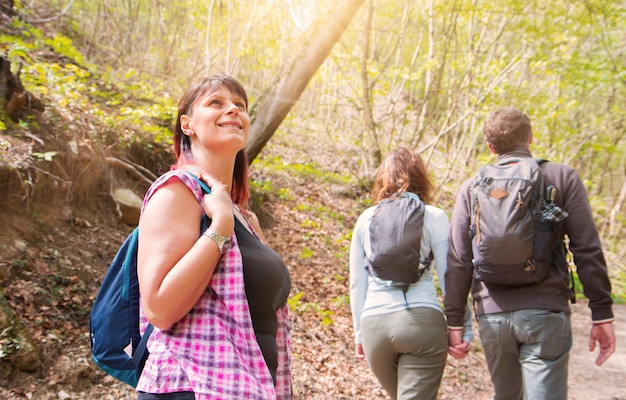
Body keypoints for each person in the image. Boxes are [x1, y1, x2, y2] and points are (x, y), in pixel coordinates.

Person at [135, 75, 292, 399]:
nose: (233, 109)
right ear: (187, 124)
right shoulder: (178, 190)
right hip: (188, 386)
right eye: (216, 103)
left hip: (242, 386)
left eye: (240, 105)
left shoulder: (242, 216)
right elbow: (159, 308)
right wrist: (219, 227)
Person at [444, 106, 616, 400]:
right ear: (531, 137)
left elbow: (459, 260)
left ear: (490, 146)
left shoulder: (472, 187)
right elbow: (586, 248)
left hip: (492, 314)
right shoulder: (561, 177)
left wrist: (454, 322)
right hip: (546, 312)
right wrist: (601, 313)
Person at [349, 148, 473, 400]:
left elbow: (356, 284)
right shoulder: (434, 216)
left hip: (374, 328)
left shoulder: (365, 219)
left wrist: (359, 335)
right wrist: (462, 328)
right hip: (421, 325)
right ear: (421, 178)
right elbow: (451, 276)